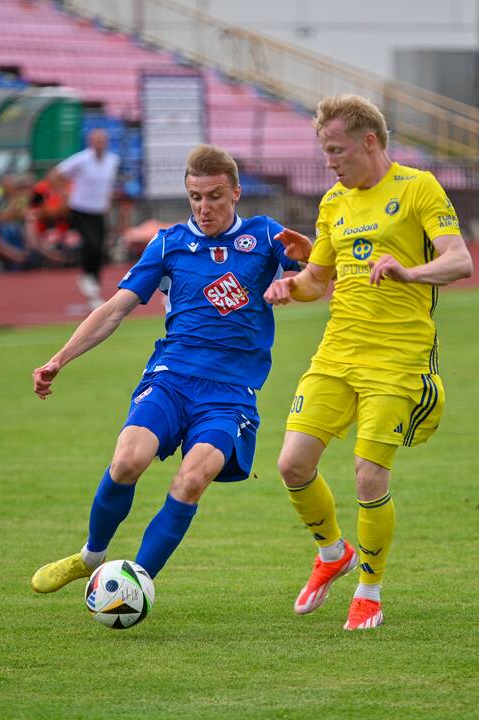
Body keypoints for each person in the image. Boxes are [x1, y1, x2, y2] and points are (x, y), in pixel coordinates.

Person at [30, 144, 311, 592]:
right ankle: (91, 556)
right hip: (171, 378)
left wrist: (306, 260)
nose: (204, 207)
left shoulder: (264, 236)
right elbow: (115, 310)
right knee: (127, 461)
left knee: (192, 477)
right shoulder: (170, 243)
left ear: (236, 192)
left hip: (230, 394)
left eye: (215, 196)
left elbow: (318, 275)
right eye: (195, 197)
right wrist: (58, 359)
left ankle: (134, 584)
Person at [263, 94, 474, 631]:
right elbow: (318, 280)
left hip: (398, 358)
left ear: (369, 141)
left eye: (336, 150)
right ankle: (333, 553)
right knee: (291, 464)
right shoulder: (333, 202)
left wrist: (408, 271)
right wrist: (291, 285)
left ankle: (370, 589)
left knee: (367, 476)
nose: (329, 162)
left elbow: (459, 260)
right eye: (324, 151)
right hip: (337, 352)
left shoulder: (417, 187)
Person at [55, 128, 120, 308]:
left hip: (99, 210)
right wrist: (64, 195)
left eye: (102, 140)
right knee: (90, 244)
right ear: (90, 142)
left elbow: (108, 185)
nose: (100, 144)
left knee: (99, 249)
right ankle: (86, 276)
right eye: (96, 140)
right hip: (80, 209)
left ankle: (94, 288)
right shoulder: (81, 159)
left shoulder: (112, 160)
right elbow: (57, 174)